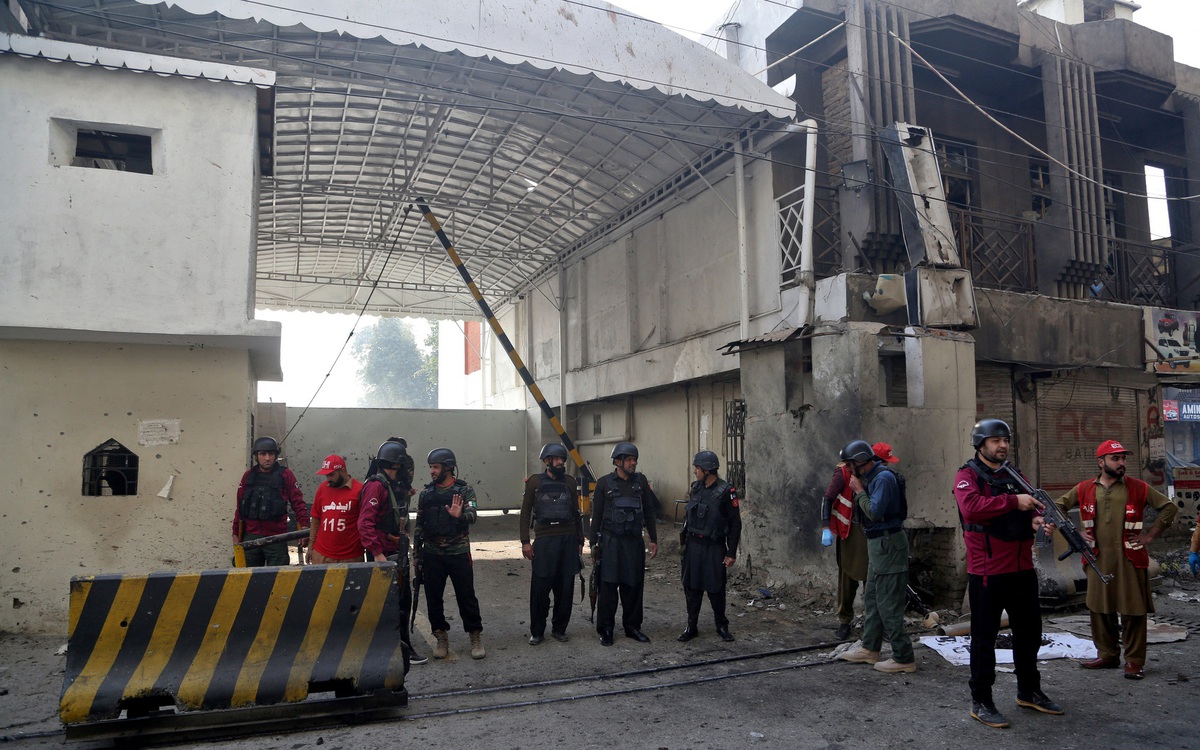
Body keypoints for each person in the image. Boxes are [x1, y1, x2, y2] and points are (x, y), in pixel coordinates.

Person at [953, 419, 1062, 729]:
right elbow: (972, 508)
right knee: (984, 639)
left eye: (1005, 440)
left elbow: (1033, 508)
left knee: (1029, 634)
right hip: (988, 571)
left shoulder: (1015, 475)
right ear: (980, 444)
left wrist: (1039, 521)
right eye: (994, 440)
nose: (1002, 445)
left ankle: (1029, 691)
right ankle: (982, 701)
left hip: (1022, 568)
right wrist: (1015, 501)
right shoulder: (967, 476)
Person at [1056, 439, 1177, 680]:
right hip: (1097, 559)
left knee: (1133, 611)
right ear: (1101, 462)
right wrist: (1074, 532)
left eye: (1123, 458)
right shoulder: (1084, 489)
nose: (1122, 463)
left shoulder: (1138, 487)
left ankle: (1134, 661)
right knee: (1100, 610)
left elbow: (1169, 508)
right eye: (1116, 458)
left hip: (1130, 559)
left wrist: (1151, 534)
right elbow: (1058, 506)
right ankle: (1108, 655)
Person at [835, 439, 915, 674]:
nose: (848, 471)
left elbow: (874, 512)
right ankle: (870, 648)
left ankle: (903, 657)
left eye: (850, 466)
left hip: (888, 543)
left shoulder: (883, 479)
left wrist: (859, 492)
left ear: (860, 463)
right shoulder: (874, 476)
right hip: (877, 544)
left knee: (888, 603)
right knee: (872, 597)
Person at [358, 440, 427, 666]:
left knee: (401, 602)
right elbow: (365, 523)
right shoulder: (377, 486)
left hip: (395, 552)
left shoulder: (393, 485)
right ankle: (398, 650)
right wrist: (377, 553)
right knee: (392, 605)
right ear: (397, 464)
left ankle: (400, 647)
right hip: (385, 556)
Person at [416, 447, 485, 660]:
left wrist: (460, 515)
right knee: (433, 598)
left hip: (458, 553)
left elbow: (473, 515)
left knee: (466, 597)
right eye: (430, 467)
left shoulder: (464, 491)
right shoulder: (426, 494)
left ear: (448, 467)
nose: (432, 472)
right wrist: (416, 557)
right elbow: (419, 526)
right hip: (432, 555)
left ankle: (475, 636)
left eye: (435, 467)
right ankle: (440, 637)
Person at [589, 442, 659, 646]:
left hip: (634, 543)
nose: (633, 463)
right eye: (628, 459)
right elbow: (597, 515)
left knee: (633, 586)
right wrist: (593, 544)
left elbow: (649, 513)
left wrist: (653, 539)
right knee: (608, 587)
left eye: (634, 459)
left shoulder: (641, 482)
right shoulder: (604, 483)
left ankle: (632, 627)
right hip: (611, 543)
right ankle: (606, 629)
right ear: (617, 461)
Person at [520, 443, 584, 645]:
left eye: (562, 459)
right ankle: (537, 631)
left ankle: (559, 629)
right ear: (546, 461)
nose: (560, 462)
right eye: (556, 459)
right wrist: (525, 542)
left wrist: (580, 540)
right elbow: (525, 512)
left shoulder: (570, 482)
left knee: (565, 589)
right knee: (540, 589)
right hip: (544, 541)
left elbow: (576, 513)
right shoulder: (534, 482)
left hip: (567, 540)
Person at [677, 451, 741, 643]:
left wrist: (731, 553)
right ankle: (691, 626)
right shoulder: (696, 488)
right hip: (693, 546)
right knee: (691, 588)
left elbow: (735, 524)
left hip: (714, 547)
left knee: (716, 589)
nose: (695, 471)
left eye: (697, 468)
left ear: (707, 470)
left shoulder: (726, 492)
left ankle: (721, 625)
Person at [232, 436, 309, 567]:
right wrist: (235, 533)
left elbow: (298, 504)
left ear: (275, 455)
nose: (267, 458)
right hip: (250, 538)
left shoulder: (286, 475)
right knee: (248, 580)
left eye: (271, 454)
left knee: (278, 579)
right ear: (256, 456)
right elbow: (240, 508)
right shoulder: (248, 477)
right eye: (263, 454)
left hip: (277, 538)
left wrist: (305, 527)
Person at [820, 449, 869, 641]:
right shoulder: (842, 473)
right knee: (847, 578)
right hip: (850, 530)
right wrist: (826, 527)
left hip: (870, 530)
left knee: (872, 580)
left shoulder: (873, 473)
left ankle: (874, 621)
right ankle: (844, 620)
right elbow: (828, 498)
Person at [307, 455, 366, 564]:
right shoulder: (322, 488)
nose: (328, 479)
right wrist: (311, 546)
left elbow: (366, 522)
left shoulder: (359, 490)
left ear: (342, 471)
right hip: (321, 555)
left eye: (331, 475)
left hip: (351, 557)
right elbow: (316, 519)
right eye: (326, 475)